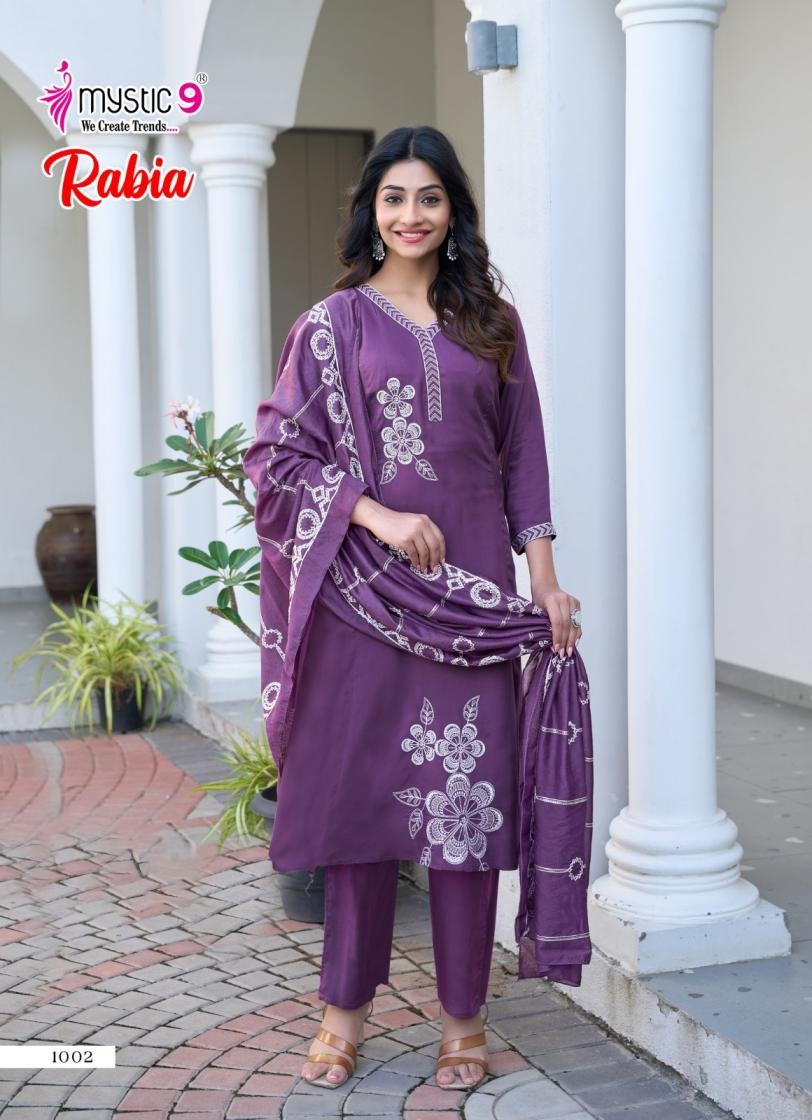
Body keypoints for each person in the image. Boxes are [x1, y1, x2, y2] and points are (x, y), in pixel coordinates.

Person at [243, 126, 585, 1092]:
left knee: (465, 812)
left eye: (428, 197)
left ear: (452, 211)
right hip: (366, 602)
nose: (410, 215)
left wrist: (543, 581)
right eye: (393, 198)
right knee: (362, 810)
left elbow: (525, 460)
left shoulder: (493, 325)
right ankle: (342, 1016)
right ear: (371, 211)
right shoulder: (331, 326)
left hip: (471, 603)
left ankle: (463, 1022)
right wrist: (378, 514)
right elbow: (277, 458)